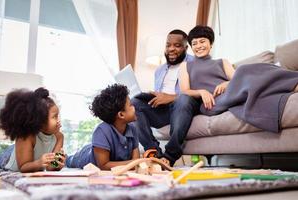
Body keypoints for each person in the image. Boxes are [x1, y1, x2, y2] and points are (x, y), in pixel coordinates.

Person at [179, 25, 298, 133]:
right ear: (191, 47)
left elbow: (237, 80)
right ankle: (293, 83)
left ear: (211, 44)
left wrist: (227, 83)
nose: (198, 46)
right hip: (211, 104)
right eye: (194, 43)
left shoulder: (222, 62)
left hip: (230, 93)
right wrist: (201, 91)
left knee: (244, 71)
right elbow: (184, 90)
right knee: (244, 70)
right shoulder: (186, 65)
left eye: (202, 41)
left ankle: (291, 82)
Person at [131, 29, 193, 166]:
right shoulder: (159, 70)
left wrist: (172, 97)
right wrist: (154, 95)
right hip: (162, 111)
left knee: (184, 99)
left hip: (182, 107)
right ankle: (154, 153)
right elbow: (160, 95)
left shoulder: (194, 64)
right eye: (168, 45)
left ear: (186, 47)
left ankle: (170, 156)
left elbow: (198, 93)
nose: (171, 49)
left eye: (177, 45)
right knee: (134, 103)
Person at [66, 84, 140, 170]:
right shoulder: (102, 131)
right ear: (121, 114)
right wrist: (136, 162)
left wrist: (137, 162)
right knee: (70, 160)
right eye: (130, 105)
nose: (134, 107)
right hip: (85, 156)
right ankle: (66, 157)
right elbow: (104, 165)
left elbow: (136, 161)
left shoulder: (132, 129)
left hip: (100, 148)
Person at [0, 88, 65, 172]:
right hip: (7, 157)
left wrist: (57, 164)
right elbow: (23, 167)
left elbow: (51, 167)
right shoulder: (26, 136)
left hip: (22, 150)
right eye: (55, 116)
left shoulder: (59, 137)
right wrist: (39, 163)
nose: (58, 120)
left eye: (58, 116)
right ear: (40, 120)